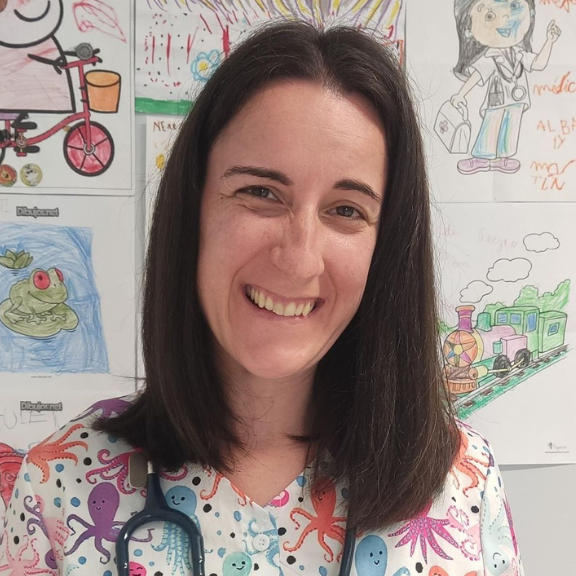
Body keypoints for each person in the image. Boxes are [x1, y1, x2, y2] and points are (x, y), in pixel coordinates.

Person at [0, 20, 523, 576]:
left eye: (347, 209)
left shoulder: (464, 483)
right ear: (193, 210)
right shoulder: (60, 486)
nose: (299, 258)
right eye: (260, 192)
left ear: (385, 246)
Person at [451, 0, 560, 175]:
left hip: (517, 101)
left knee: (511, 128)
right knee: (491, 126)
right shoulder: (490, 56)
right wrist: (460, 95)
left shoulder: (519, 53)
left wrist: (550, 41)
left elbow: (538, 64)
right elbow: (477, 76)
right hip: (497, 100)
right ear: (469, 29)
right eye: (489, 16)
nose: (505, 19)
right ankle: (481, 158)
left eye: (514, 7)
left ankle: (503, 158)